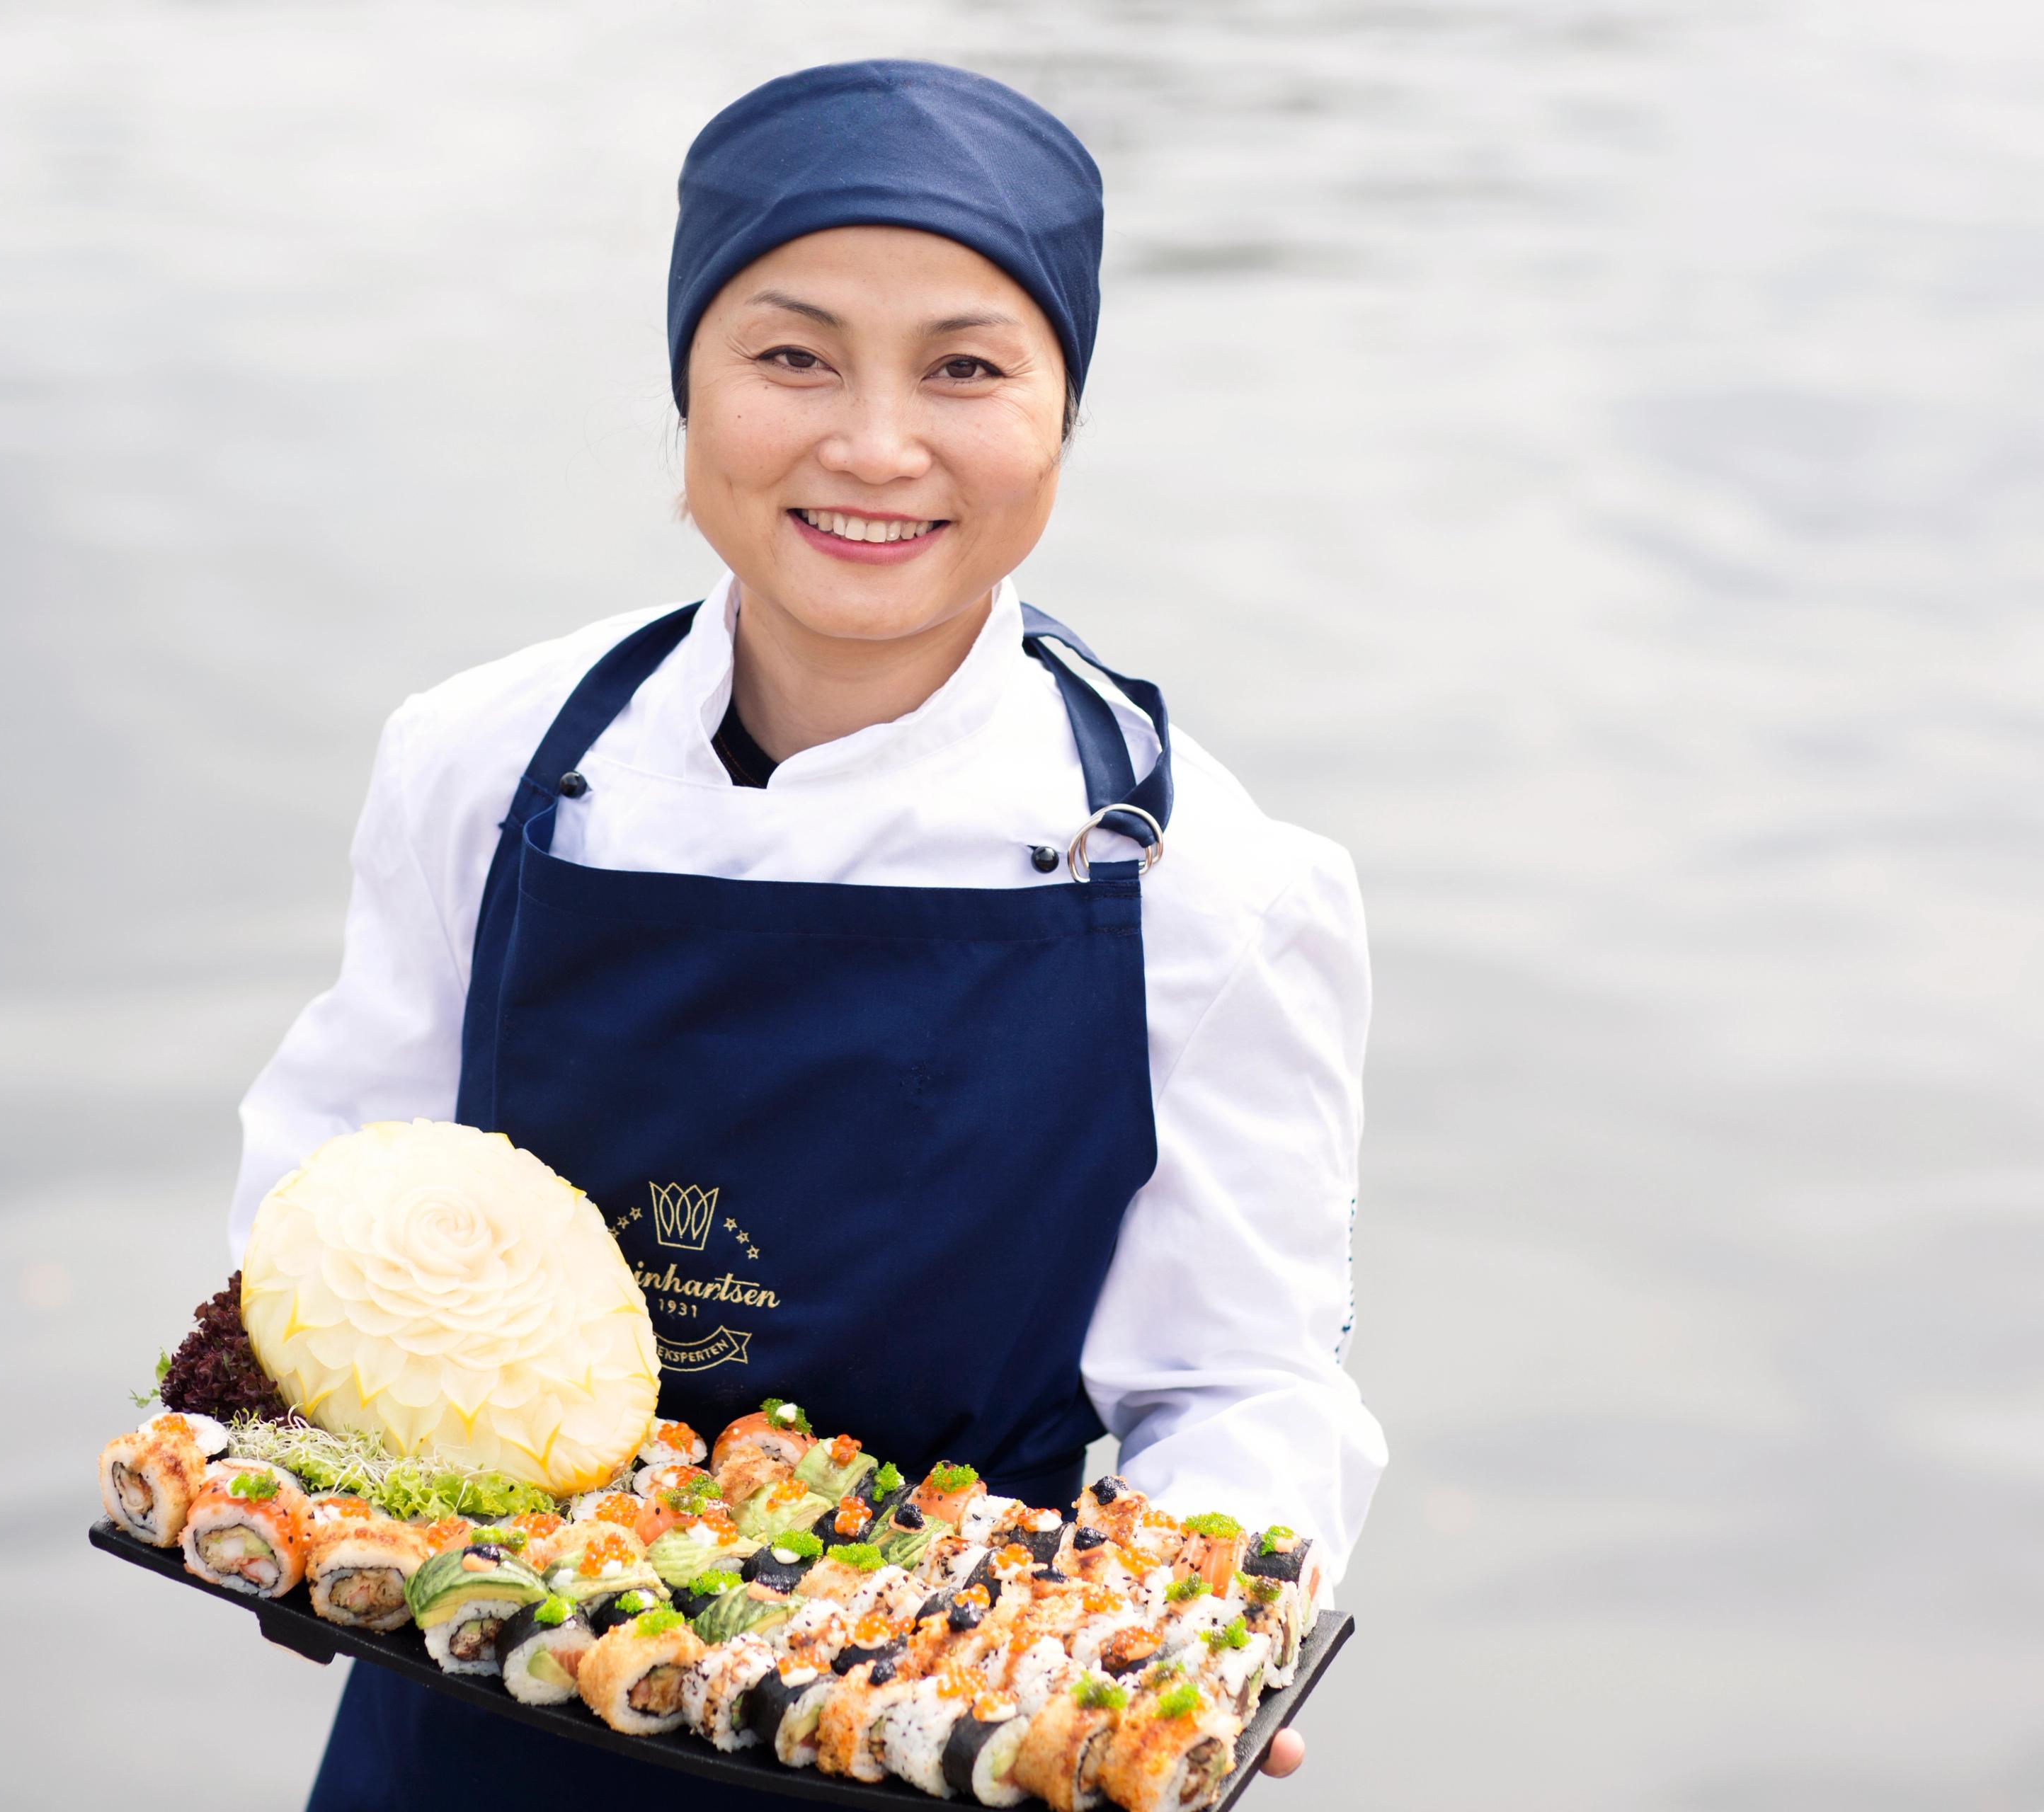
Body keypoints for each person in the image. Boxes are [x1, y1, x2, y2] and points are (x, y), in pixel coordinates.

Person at [227, 59, 1383, 1808]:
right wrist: (290, 1470)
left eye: (966, 369)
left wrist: (1186, 1646)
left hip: (939, 1733)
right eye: (793, 356)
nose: (875, 445)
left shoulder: (1205, 878)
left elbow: (1241, 1381)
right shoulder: (481, 761)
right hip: (470, 1699)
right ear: (684, 386)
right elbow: (333, 1185)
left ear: (1062, 417)